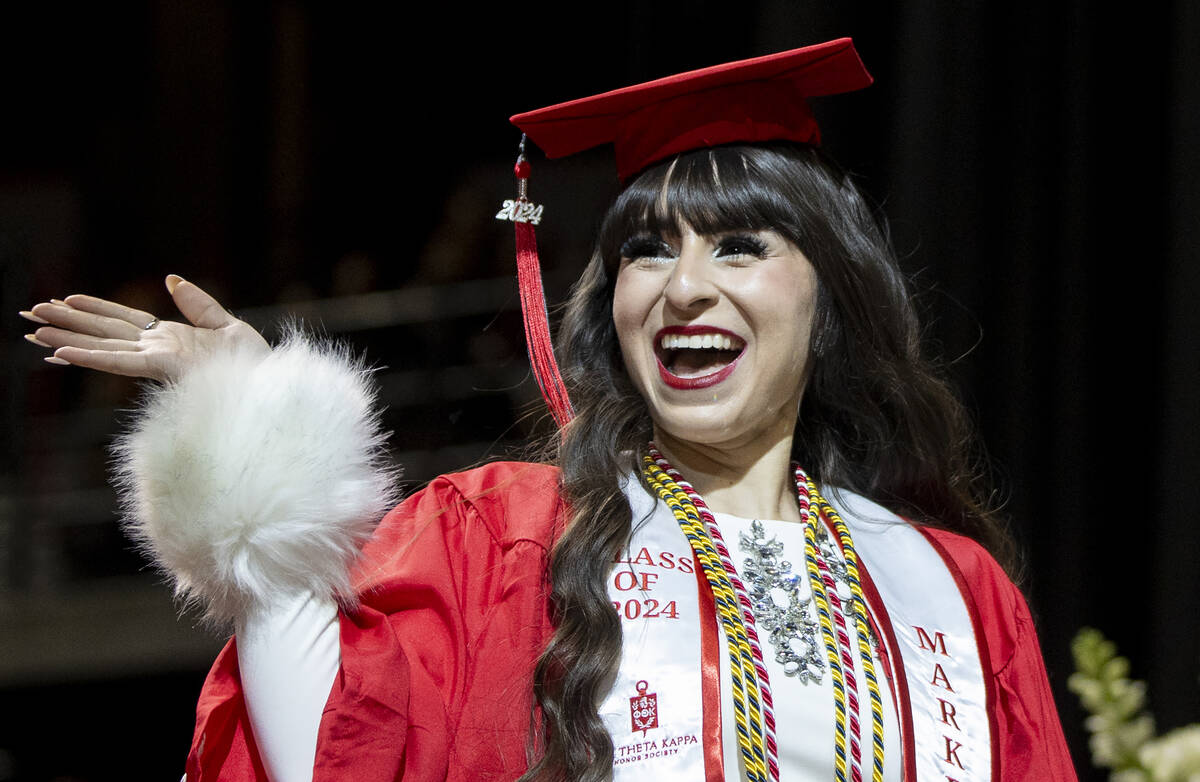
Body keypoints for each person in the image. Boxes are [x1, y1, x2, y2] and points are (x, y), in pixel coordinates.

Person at [21, 39, 1076, 782]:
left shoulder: (949, 587)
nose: (684, 287)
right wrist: (253, 424)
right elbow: (334, 750)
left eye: (740, 246)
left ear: (828, 296)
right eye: (647, 250)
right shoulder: (502, 539)